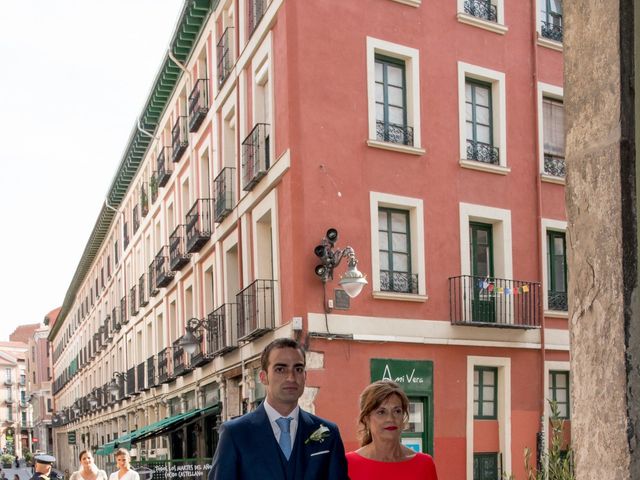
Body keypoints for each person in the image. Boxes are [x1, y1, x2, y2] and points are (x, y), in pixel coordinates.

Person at [209, 337, 349, 480]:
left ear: (305, 376)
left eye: (298, 369)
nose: (291, 377)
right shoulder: (235, 434)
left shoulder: (328, 432)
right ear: (263, 377)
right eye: (280, 369)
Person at [346, 380, 438, 480]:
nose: (390, 418)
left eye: (397, 411)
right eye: (381, 412)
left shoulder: (424, 464)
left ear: (403, 417)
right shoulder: (347, 464)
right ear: (366, 419)